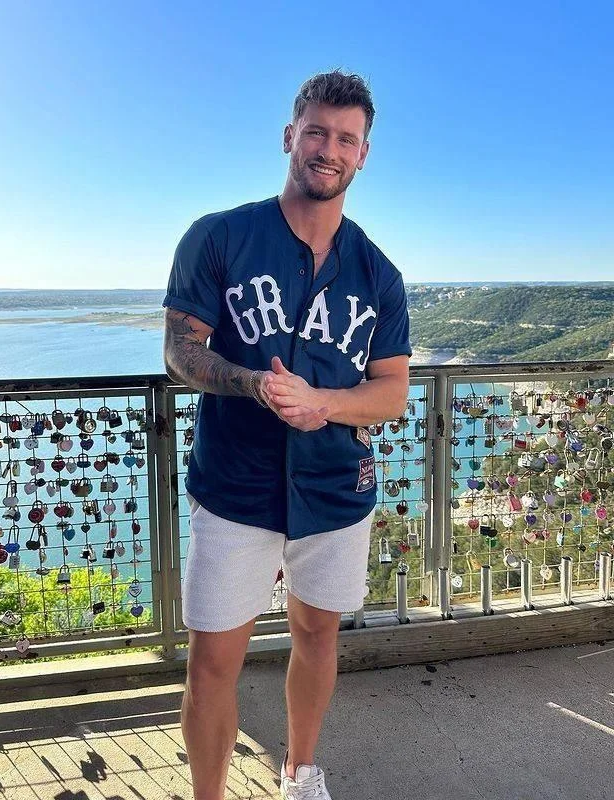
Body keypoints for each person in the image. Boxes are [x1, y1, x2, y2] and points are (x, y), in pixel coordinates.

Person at [162, 70, 411, 800]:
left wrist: (324, 404)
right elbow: (181, 353)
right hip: (235, 489)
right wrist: (258, 387)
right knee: (211, 662)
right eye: (316, 132)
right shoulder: (219, 237)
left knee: (317, 636)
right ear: (289, 137)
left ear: (363, 154)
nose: (328, 149)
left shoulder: (379, 274)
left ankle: (300, 772)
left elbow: (392, 391)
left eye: (345, 138)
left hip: (336, 491)